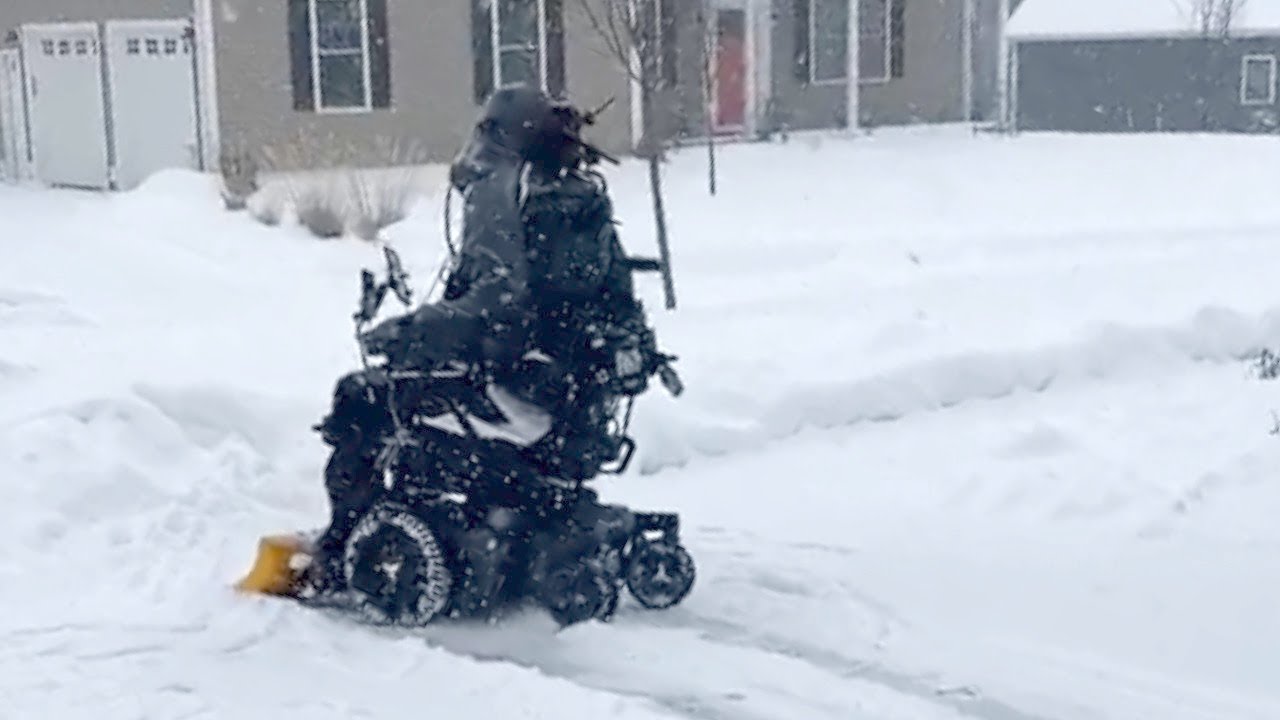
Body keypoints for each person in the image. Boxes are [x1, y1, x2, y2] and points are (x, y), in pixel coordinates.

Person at [304, 87, 666, 592]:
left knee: (361, 397)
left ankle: (343, 550)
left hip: (519, 394)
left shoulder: (500, 193)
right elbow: (614, 299)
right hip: (575, 400)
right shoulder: (582, 198)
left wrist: (410, 328)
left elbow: (497, 304)